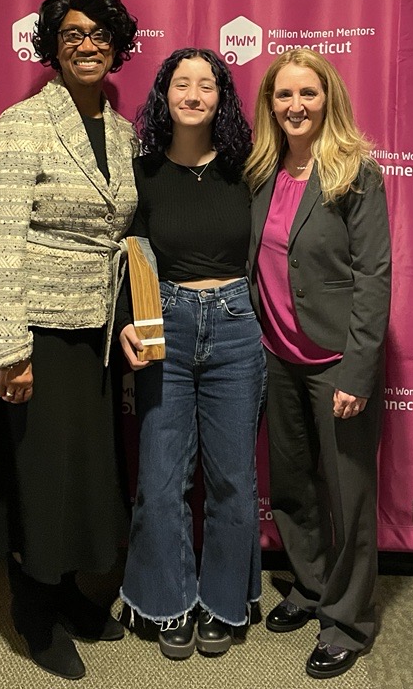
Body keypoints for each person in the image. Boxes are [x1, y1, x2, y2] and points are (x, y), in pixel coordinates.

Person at [0, 0, 139, 681]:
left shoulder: (125, 131)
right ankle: (33, 609)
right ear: (52, 46)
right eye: (72, 34)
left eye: (99, 34)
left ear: (117, 46)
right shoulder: (22, 123)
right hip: (38, 333)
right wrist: (9, 350)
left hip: (98, 333)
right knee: (41, 478)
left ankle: (70, 590)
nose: (87, 46)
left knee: (85, 476)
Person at [245, 48, 391, 680]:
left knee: (348, 498)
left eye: (308, 94)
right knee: (293, 485)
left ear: (327, 98)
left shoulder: (355, 170)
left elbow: (374, 276)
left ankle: (349, 620)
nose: (295, 106)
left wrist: (358, 370)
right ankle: (307, 590)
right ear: (269, 105)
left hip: (336, 361)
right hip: (277, 354)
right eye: (284, 95)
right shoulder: (260, 169)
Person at [117, 48, 266, 661]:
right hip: (165, 329)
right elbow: (122, 254)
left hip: (235, 328)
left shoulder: (247, 169)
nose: (194, 94)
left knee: (233, 481)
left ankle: (226, 602)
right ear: (164, 94)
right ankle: (165, 600)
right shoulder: (141, 171)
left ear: (221, 97)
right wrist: (128, 320)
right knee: (159, 479)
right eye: (182, 83)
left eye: (207, 84)